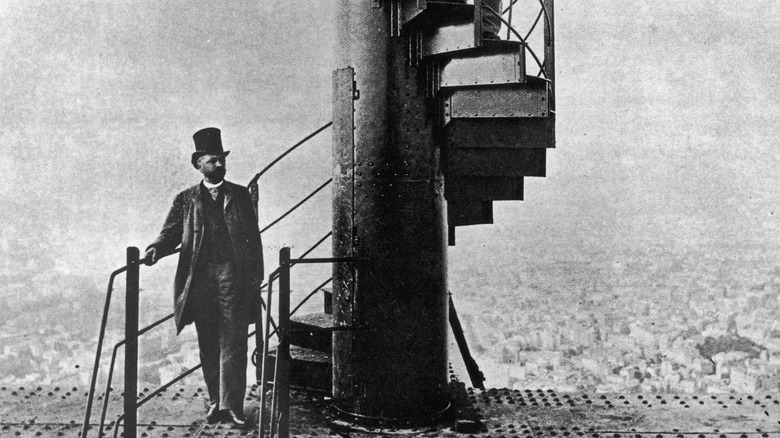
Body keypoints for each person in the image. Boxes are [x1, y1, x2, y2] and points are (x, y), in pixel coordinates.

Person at [144, 127, 264, 428]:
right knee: (208, 341)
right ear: (198, 164)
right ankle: (215, 403)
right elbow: (171, 232)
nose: (219, 165)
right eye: (213, 160)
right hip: (199, 279)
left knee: (234, 341)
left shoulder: (239, 195)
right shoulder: (186, 199)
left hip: (232, 277)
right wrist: (155, 248)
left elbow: (253, 239)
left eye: (222, 159)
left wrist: (255, 279)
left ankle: (233, 405)